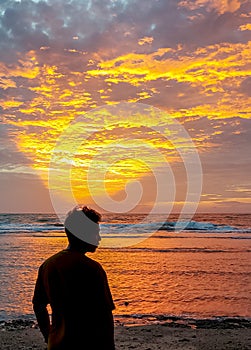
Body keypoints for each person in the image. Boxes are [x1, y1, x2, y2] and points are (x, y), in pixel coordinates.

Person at [32, 205, 115, 350]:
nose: (100, 238)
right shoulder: (93, 269)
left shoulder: (48, 265)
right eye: (96, 233)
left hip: (57, 344)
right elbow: (105, 315)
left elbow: (39, 305)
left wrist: (49, 336)